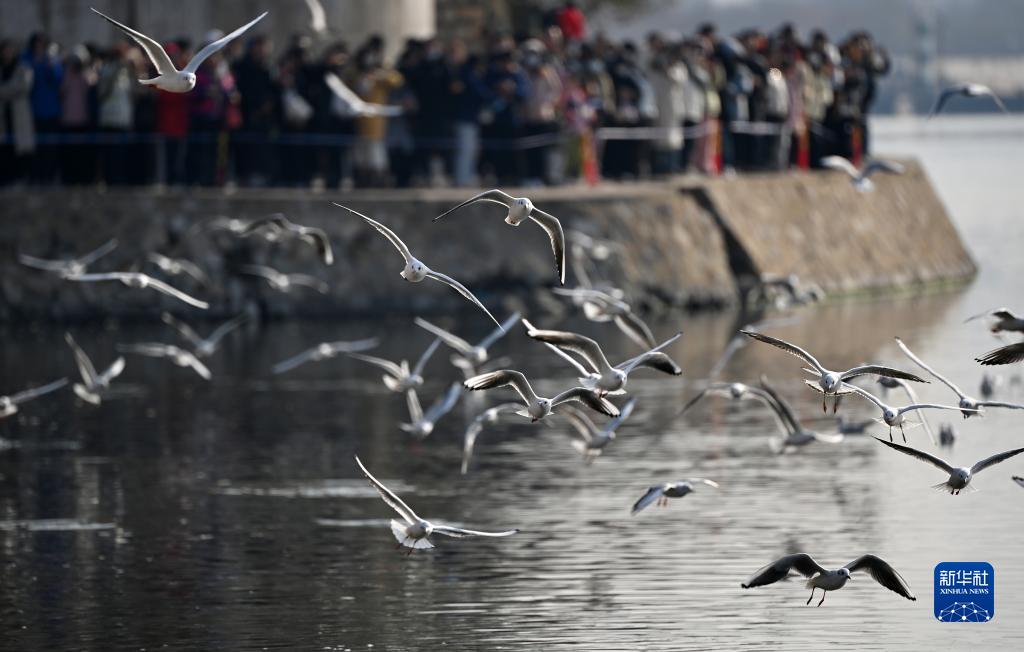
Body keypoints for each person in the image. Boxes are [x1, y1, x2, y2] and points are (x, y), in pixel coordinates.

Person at [233, 34, 278, 186]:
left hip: (264, 120)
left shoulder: (269, 67)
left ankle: (262, 177)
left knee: (263, 150)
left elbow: (274, 90)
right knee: (245, 150)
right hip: (245, 116)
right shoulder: (241, 66)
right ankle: (243, 176)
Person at [23, 32, 62, 184]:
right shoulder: (26, 59)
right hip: (33, 110)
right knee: (35, 147)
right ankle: (35, 176)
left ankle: (50, 176)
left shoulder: (51, 59)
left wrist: (49, 64)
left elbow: (58, 79)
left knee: (50, 146)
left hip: (51, 110)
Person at [96, 42, 135, 185]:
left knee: (121, 154)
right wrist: (116, 70)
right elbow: (102, 92)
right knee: (109, 153)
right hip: (109, 119)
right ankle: (108, 179)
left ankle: (118, 180)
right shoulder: (107, 70)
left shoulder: (126, 75)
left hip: (123, 120)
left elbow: (131, 96)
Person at [59, 47, 96, 184]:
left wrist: (84, 71)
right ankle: (69, 179)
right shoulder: (66, 74)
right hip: (68, 120)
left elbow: (91, 85)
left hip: (83, 120)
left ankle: (82, 179)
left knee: (82, 154)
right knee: (69, 153)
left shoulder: (86, 74)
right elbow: (62, 91)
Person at [0, 39, 35, 185]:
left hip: (19, 116)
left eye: (10, 50)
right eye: (5, 50)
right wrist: (12, 89)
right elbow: (17, 87)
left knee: (21, 149)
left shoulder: (24, 68)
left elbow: (24, 87)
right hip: (3, 116)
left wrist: (4, 90)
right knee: (4, 150)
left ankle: (21, 179)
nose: (8, 53)